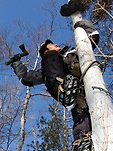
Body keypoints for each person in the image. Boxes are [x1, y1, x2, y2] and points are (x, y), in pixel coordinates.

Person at [10, 4, 99, 151]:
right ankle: (64, 92)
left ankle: (84, 140)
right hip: (62, 88)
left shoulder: (69, 55)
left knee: (82, 112)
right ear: (45, 50)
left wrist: (82, 25)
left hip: (82, 88)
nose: (55, 44)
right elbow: (26, 78)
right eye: (51, 45)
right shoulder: (48, 63)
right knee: (52, 61)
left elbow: (92, 41)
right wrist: (16, 63)